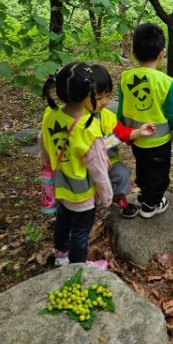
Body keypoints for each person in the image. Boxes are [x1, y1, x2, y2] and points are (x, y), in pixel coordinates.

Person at [40, 62, 113, 267]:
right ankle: (78, 266)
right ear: (88, 93)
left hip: (59, 181)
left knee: (63, 219)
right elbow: (98, 168)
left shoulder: (50, 113)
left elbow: (42, 139)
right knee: (80, 231)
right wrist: (106, 196)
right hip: (81, 190)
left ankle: (61, 255)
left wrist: (46, 160)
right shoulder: (88, 128)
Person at [118, 22, 173, 218]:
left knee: (142, 165)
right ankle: (152, 203)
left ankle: (144, 193)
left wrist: (120, 130)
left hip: (136, 137)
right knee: (158, 172)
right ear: (162, 53)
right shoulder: (166, 83)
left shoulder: (126, 77)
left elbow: (121, 109)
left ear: (133, 53)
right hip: (158, 140)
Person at [90, 64, 156, 219]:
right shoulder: (78, 120)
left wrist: (138, 132)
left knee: (121, 173)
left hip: (109, 160)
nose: (105, 102)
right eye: (99, 98)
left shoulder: (107, 116)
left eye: (107, 96)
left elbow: (120, 132)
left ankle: (117, 198)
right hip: (85, 163)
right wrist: (97, 154)